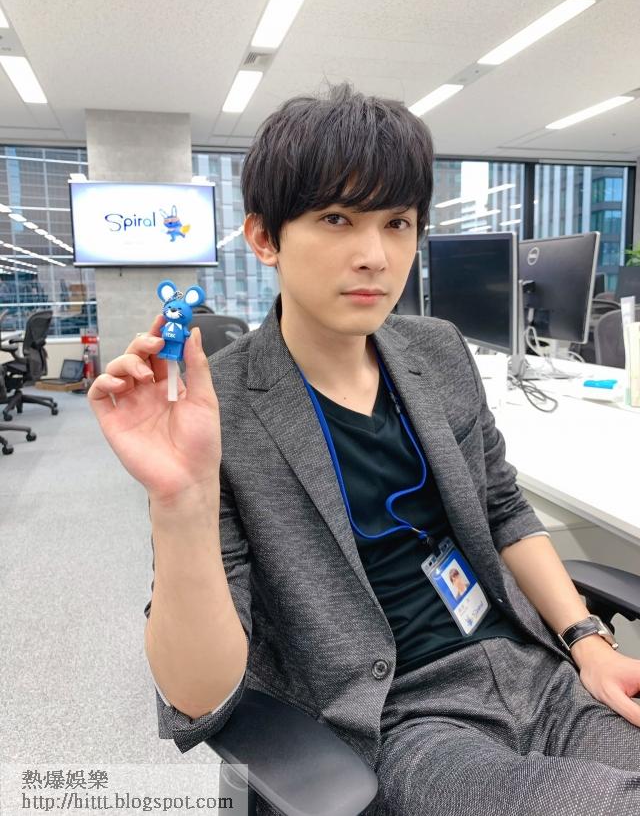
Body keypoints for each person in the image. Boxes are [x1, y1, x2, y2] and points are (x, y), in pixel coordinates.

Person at [88, 83, 640, 816]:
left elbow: (503, 509)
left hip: (535, 668)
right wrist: (180, 500)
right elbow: (198, 696)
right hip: (400, 718)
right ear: (265, 238)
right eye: (337, 219)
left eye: (397, 223)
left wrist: (588, 641)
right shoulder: (219, 410)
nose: (375, 256)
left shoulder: (436, 350)